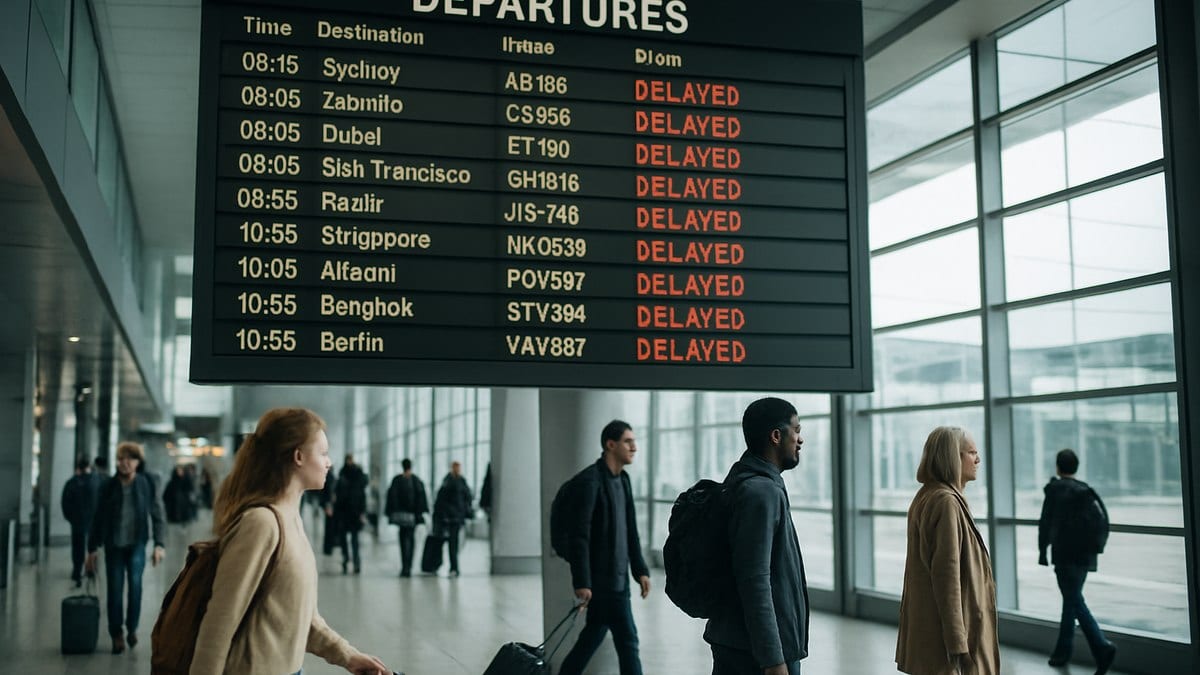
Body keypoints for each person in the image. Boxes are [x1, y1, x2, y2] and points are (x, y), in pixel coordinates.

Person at [189, 407, 393, 675]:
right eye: (322, 453)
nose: (329, 462)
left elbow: (302, 619)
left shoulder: (290, 519)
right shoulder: (261, 524)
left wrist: (349, 657)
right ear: (298, 456)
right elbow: (219, 622)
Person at [704, 397, 809, 675]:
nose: (800, 439)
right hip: (755, 652)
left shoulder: (743, 480)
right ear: (776, 436)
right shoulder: (761, 492)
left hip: (738, 641)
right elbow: (755, 579)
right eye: (796, 430)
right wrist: (773, 660)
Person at [896, 426, 999, 675]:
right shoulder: (946, 502)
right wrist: (958, 643)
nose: (978, 459)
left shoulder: (927, 495)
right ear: (952, 456)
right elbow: (947, 576)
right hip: (948, 642)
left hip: (929, 631)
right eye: (971, 453)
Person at [559, 420, 651, 675]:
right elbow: (580, 537)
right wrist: (583, 581)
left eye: (634, 441)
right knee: (628, 641)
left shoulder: (623, 481)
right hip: (603, 582)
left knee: (592, 638)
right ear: (610, 445)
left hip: (618, 579)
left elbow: (630, 529)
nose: (634, 447)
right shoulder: (590, 482)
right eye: (627, 441)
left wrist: (640, 569)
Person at [1038, 449, 1117, 673]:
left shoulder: (1054, 490)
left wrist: (1042, 552)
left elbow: (1045, 523)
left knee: (1074, 601)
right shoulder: (1085, 491)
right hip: (1084, 557)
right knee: (1070, 601)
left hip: (1064, 557)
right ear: (1076, 467)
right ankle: (1062, 653)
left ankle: (1102, 646)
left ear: (1058, 467)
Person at [84, 441, 166, 654]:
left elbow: (158, 514)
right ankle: (116, 633)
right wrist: (91, 549)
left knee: (136, 587)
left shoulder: (146, 484)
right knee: (115, 590)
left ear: (138, 462)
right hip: (114, 546)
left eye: (130, 458)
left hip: (137, 544)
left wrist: (160, 544)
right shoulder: (108, 486)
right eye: (121, 459)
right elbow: (98, 518)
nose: (124, 463)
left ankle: (132, 628)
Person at [61, 457, 102, 586]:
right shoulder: (97, 481)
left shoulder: (72, 482)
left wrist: (71, 518)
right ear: (89, 466)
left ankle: (77, 572)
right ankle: (92, 571)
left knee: (77, 547)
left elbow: (65, 503)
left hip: (77, 521)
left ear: (78, 467)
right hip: (94, 521)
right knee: (93, 547)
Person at [386, 458, 429, 577]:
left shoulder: (397, 480)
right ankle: (408, 566)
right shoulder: (416, 481)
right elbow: (421, 499)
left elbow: (391, 498)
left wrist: (392, 513)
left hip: (401, 517)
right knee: (411, 540)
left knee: (403, 540)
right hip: (412, 517)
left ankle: (405, 566)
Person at [432, 460, 474, 577]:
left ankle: (453, 567)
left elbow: (467, 497)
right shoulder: (451, 482)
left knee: (452, 543)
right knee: (452, 543)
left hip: (454, 518)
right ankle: (452, 567)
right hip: (450, 518)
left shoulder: (457, 482)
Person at [335, 455, 369, 574]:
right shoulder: (344, 475)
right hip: (347, 512)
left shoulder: (354, 476)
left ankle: (355, 561)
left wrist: (362, 512)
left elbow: (362, 495)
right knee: (346, 539)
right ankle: (348, 559)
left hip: (352, 512)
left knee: (353, 539)